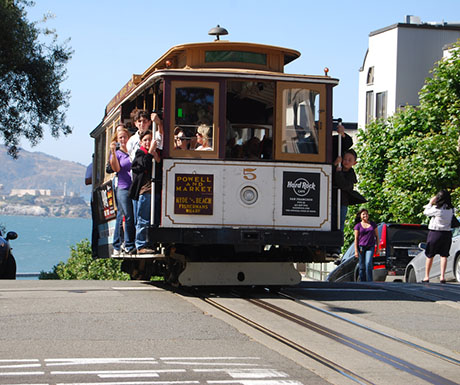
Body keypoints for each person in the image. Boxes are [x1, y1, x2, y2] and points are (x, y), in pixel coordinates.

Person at [129, 130, 161, 254]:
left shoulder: (156, 153)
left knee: (154, 219)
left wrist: (155, 154)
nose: (148, 142)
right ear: (141, 142)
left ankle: (151, 242)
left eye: (150, 140)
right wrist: (150, 152)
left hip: (155, 191)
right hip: (145, 191)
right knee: (143, 219)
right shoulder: (140, 153)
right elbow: (144, 165)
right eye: (145, 140)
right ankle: (141, 244)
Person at [110, 125, 136, 255]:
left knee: (127, 217)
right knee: (127, 215)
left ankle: (122, 244)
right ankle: (124, 244)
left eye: (125, 137)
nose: (123, 139)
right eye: (121, 138)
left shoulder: (132, 151)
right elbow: (116, 169)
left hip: (135, 187)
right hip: (123, 188)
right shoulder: (118, 154)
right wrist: (113, 152)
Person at [422, 190, 454, 283]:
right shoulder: (451, 209)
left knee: (430, 255)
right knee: (444, 255)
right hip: (447, 234)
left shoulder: (436, 209)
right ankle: (442, 276)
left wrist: (430, 203)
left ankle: (427, 276)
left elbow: (426, 212)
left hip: (435, 233)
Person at [333, 149, 359, 231]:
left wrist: (338, 173)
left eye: (349, 160)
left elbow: (344, 185)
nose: (346, 162)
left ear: (354, 163)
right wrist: (335, 165)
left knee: (339, 224)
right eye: (345, 159)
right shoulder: (335, 168)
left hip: (342, 203)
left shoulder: (351, 176)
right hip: (331, 201)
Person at [354, 208, 379, 282]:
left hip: (370, 246)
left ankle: (370, 282)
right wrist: (356, 250)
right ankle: (363, 282)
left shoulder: (373, 224)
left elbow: (377, 236)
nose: (365, 215)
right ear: (360, 216)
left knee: (368, 264)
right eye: (363, 214)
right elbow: (356, 239)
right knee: (362, 266)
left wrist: (378, 248)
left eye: (366, 214)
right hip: (361, 247)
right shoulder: (358, 226)